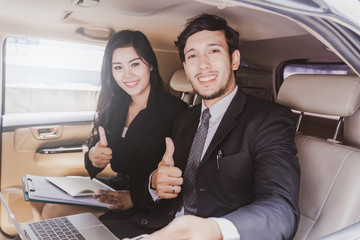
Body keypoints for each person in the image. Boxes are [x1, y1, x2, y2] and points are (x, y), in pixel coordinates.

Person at [111, 13, 300, 240]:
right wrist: (155, 183)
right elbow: (166, 180)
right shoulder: (184, 118)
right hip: (154, 226)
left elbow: (281, 208)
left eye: (214, 51)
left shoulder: (269, 119)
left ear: (234, 60)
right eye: (192, 56)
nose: (203, 65)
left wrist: (215, 230)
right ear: (185, 66)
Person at [38, 30, 188, 221]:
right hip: (115, 186)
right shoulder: (114, 105)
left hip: (149, 201)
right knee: (52, 204)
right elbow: (94, 154)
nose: (127, 75)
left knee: (55, 214)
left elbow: (179, 176)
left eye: (135, 64)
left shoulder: (176, 111)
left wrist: (133, 198)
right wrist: (94, 156)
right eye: (118, 67)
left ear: (149, 64)